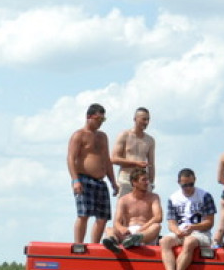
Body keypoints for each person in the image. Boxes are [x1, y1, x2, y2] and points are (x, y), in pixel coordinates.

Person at [67, 103, 119, 244]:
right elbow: (70, 158)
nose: (100, 122)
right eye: (98, 119)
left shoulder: (103, 137)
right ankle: (78, 244)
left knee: (102, 217)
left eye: (103, 120)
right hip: (83, 179)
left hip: (100, 181)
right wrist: (75, 180)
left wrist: (113, 182)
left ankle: (94, 246)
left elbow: (107, 160)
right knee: (84, 214)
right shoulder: (79, 135)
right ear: (89, 117)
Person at [158, 168, 217, 270]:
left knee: (189, 242)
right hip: (181, 231)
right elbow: (171, 223)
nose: (188, 188)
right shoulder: (173, 198)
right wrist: (176, 231)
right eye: (185, 185)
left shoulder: (205, 196)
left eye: (191, 184)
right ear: (179, 182)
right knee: (164, 241)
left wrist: (194, 227)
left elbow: (209, 222)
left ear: (195, 180)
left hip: (200, 232)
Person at [101, 167, 162, 251]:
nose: (147, 182)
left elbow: (158, 217)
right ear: (134, 182)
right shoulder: (123, 200)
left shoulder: (153, 197)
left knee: (156, 226)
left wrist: (142, 228)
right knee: (109, 229)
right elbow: (117, 222)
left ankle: (137, 239)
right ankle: (113, 242)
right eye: (144, 180)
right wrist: (121, 228)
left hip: (146, 233)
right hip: (129, 233)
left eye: (147, 180)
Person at [111, 107, 155, 197]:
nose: (146, 122)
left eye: (148, 119)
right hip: (126, 179)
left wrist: (151, 182)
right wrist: (136, 163)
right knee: (125, 209)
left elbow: (151, 164)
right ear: (135, 119)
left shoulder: (150, 140)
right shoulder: (125, 135)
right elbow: (114, 158)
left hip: (142, 180)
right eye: (143, 119)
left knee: (144, 209)